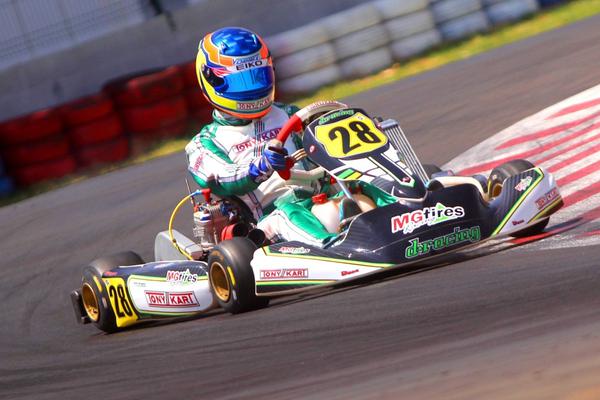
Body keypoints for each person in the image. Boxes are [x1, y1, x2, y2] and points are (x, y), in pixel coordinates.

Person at [185, 27, 337, 247]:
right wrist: (260, 166)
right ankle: (333, 248)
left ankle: (392, 223)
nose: (252, 90)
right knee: (289, 213)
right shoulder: (204, 143)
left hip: (321, 198)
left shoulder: (290, 114)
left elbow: (329, 138)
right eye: (240, 81)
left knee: (365, 187)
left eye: (256, 78)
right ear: (212, 80)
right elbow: (223, 177)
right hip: (268, 221)